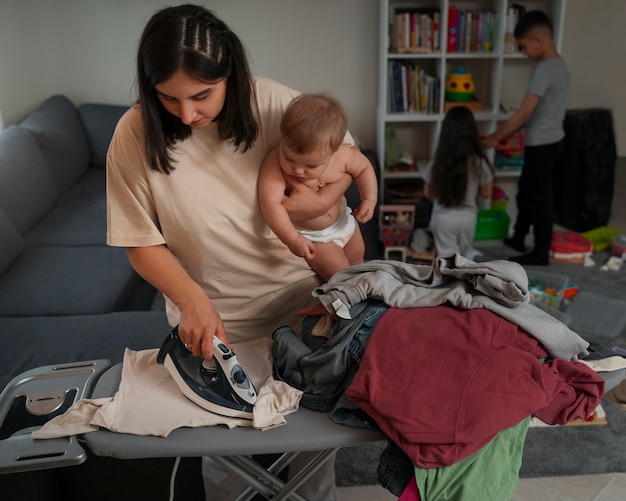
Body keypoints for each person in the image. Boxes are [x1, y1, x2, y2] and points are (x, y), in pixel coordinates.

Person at [106, 4, 348, 500]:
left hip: (302, 311)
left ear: (230, 73)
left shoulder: (281, 106)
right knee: (224, 463)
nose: (189, 114)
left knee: (312, 457)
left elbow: (346, 165)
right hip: (214, 326)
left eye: (201, 95)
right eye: (168, 98)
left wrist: (320, 204)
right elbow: (139, 240)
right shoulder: (134, 134)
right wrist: (191, 299)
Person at [258, 93, 378, 282]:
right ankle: (343, 304)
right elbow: (270, 204)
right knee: (341, 276)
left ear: (334, 149)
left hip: (345, 221)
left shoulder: (343, 156)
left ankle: (363, 299)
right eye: (288, 157)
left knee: (358, 260)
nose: (297, 170)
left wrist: (369, 200)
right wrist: (292, 239)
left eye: (311, 166)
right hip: (316, 238)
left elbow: (364, 167)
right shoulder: (274, 165)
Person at [483, 10, 570, 265]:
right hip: (553, 139)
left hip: (541, 145)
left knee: (539, 198)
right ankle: (519, 237)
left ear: (538, 40)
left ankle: (541, 251)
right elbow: (541, 112)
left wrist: (495, 138)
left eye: (523, 46)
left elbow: (523, 113)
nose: (523, 53)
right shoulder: (561, 66)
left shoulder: (544, 69)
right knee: (526, 192)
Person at [422, 105, 494, 261]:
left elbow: (428, 192)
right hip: (468, 217)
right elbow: (487, 193)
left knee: (448, 259)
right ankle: (474, 256)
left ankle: (452, 280)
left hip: (444, 217)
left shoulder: (438, 162)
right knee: (465, 250)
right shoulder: (479, 162)